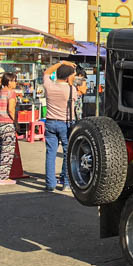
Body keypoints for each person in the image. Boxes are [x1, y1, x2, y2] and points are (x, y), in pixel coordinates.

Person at [42, 60, 87, 192]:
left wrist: (61, 63)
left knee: (50, 153)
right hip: (65, 123)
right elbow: (77, 91)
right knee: (68, 153)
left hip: (50, 122)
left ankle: (50, 184)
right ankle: (66, 183)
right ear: (68, 77)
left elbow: (46, 72)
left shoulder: (49, 86)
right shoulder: (71, 89)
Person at [0, 72, 18, 185]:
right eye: (14, 80)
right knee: (7, 152)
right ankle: (3, 178)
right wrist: (16, 122)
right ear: (9, 82)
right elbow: (11, 110)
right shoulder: (11, 93)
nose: (16, 83)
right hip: (7, 124)